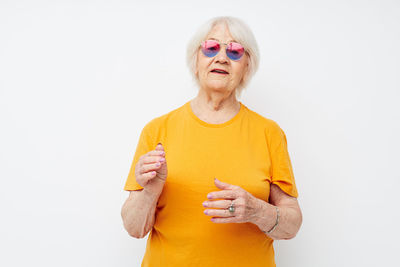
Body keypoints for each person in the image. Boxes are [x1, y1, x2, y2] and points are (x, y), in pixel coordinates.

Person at [121, 16, 303, 267]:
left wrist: (257, 210)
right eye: (211, 47)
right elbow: (134, 228)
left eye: (235, 51)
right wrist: (150, 191)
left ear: (246, 67)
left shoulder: (269, 133)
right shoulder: (157, 130)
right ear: (196, 60)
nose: (222, 57)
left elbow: (292, 224)